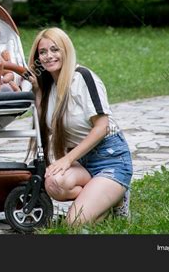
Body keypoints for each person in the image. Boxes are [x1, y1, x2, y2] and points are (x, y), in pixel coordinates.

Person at [27, 27, 133, 225]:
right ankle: (103, 197)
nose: (49, 56)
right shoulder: (49, 86)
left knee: (74, 223)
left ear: (66, 51)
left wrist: (66, 160)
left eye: (54, 49)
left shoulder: (83, 78)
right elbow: (46, 129)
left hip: (109, 159)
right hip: (81, 162)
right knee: (54, 184)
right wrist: (37, 92)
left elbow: (102, 127)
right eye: (42, 52)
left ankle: (116, 194)